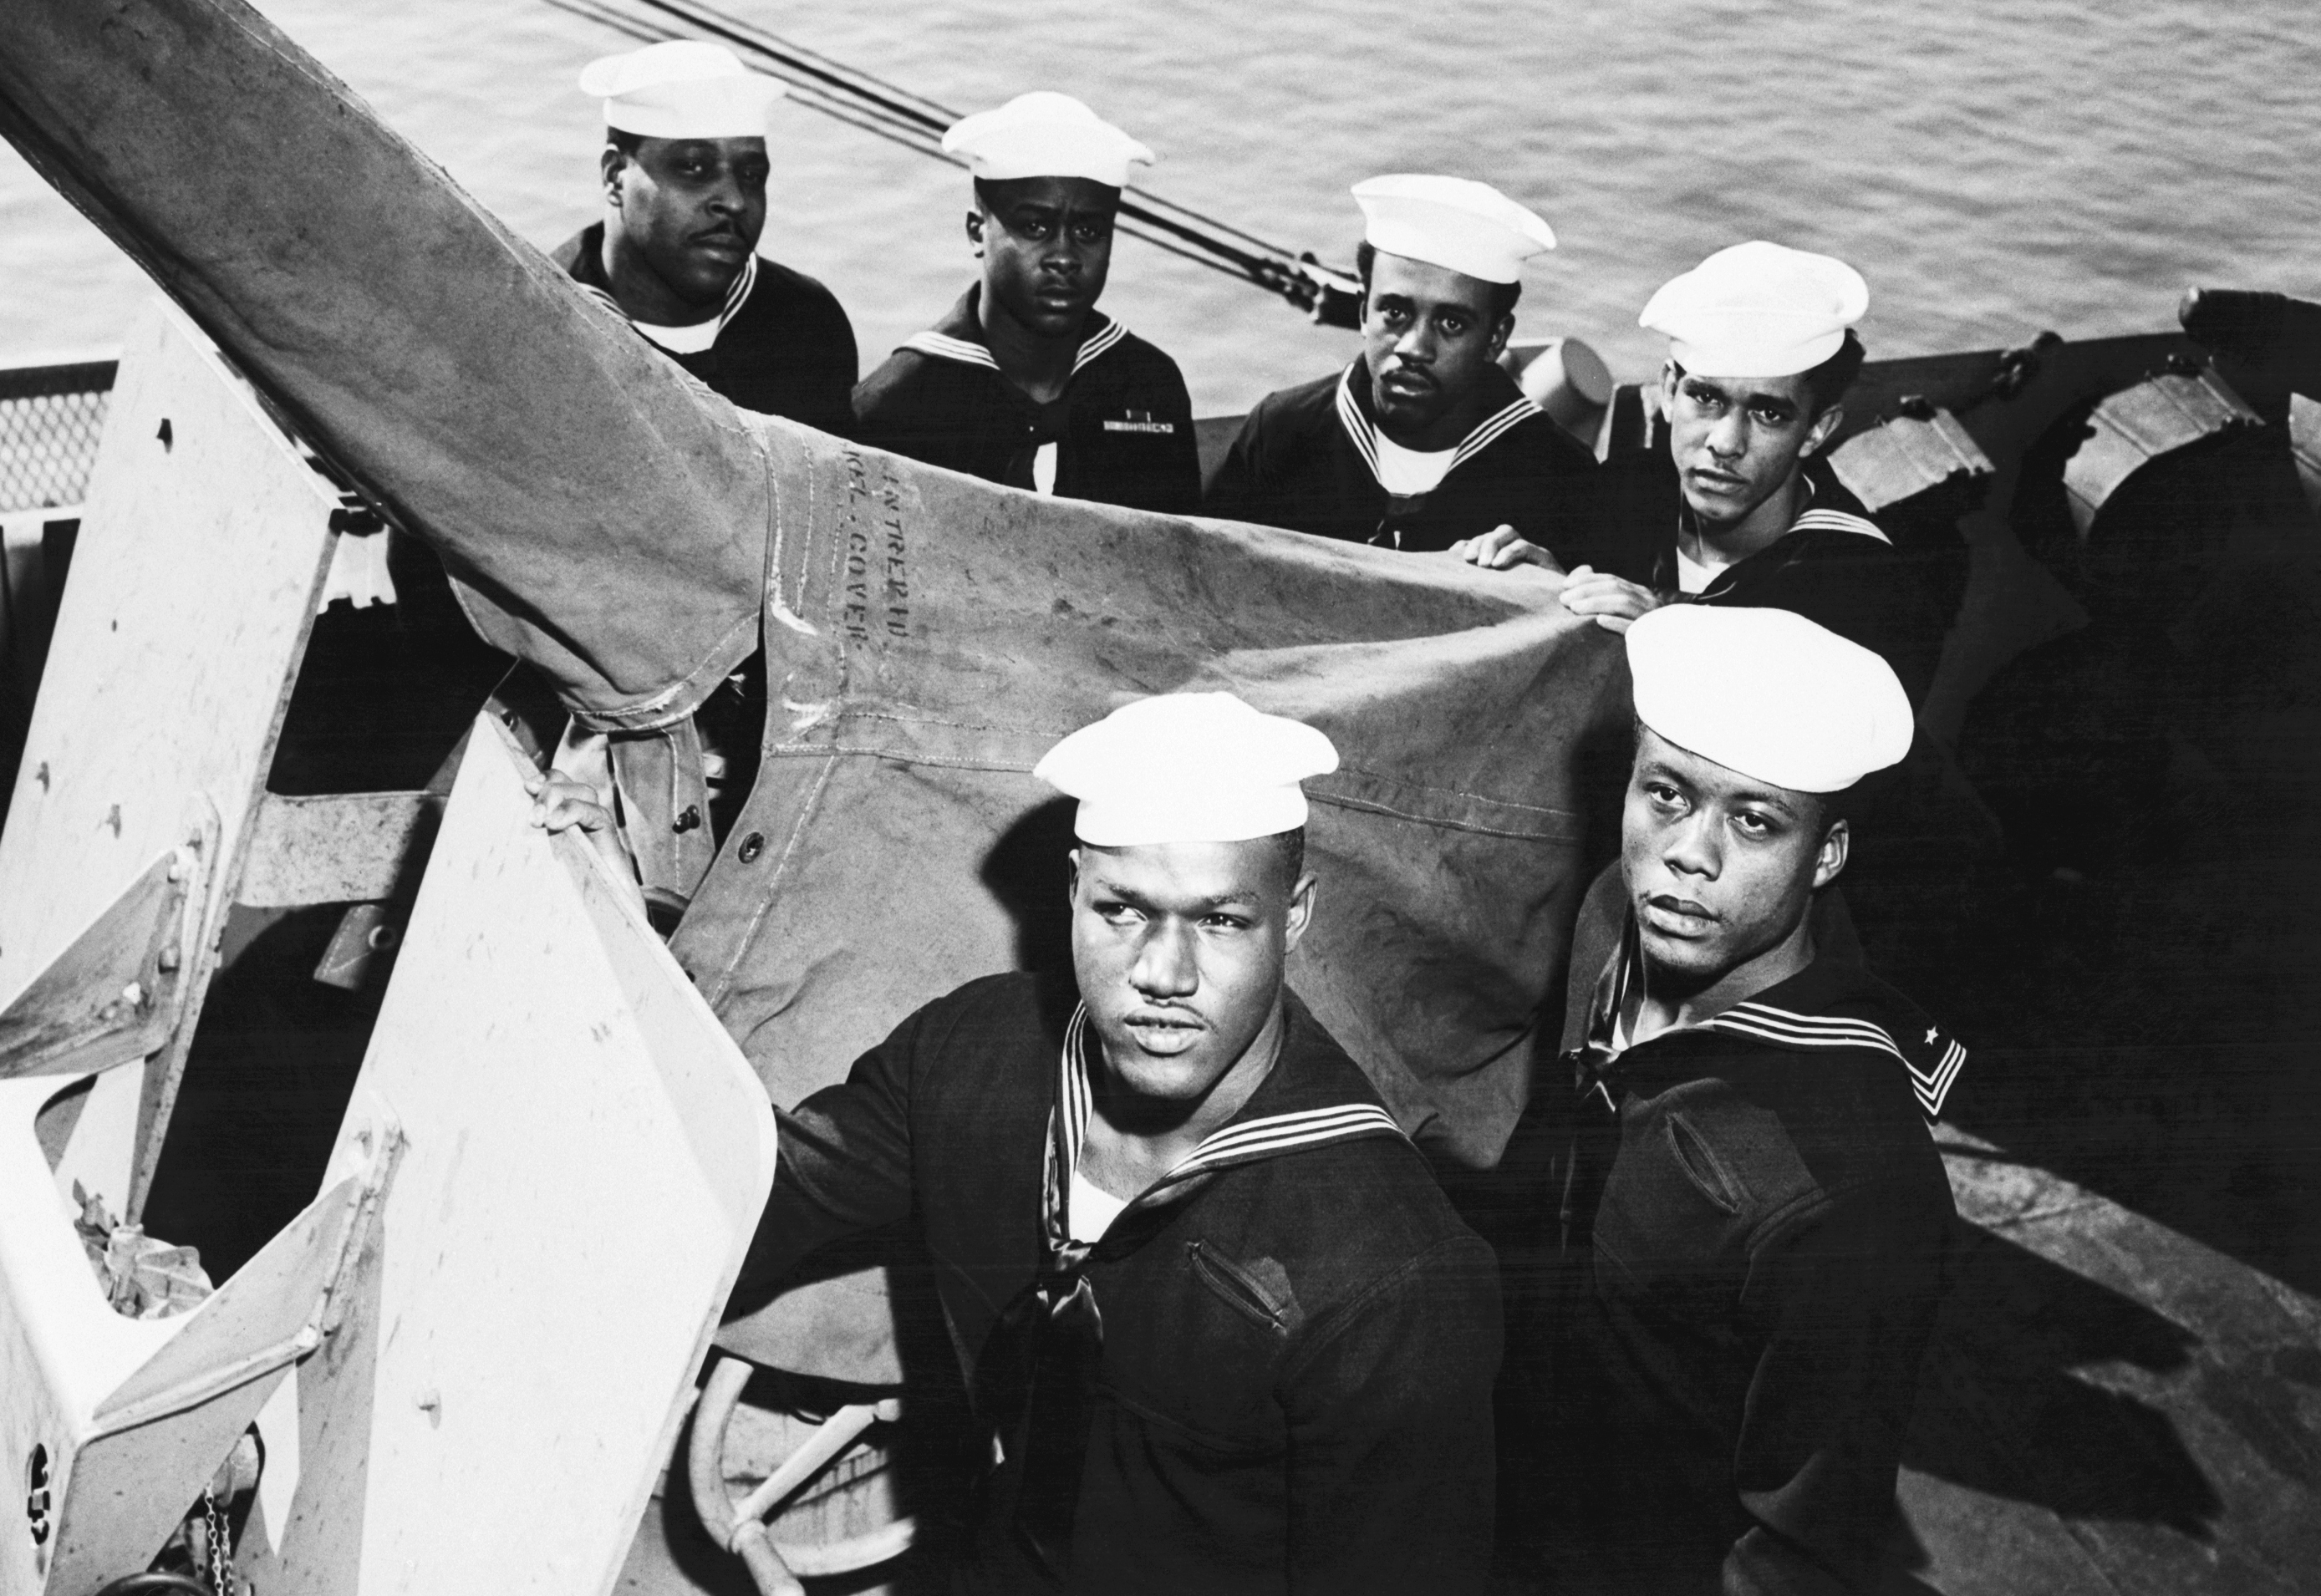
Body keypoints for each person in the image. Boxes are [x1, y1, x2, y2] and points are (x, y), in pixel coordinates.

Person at [721, 692, 1502, 1594]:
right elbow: (718, 1203)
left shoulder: (1395, 1279)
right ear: (1071, 893)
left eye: (1220, 921)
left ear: (1294, 918)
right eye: (1123, 909)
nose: (1162, 977)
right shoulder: (966, 1053)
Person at [1509, 604, 1962, 1594]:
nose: (1690, 856)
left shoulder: (1855, 1190)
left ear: (1828, 854)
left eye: (1754, 820)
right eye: (1666, 794)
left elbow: (1802, 1546)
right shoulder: (1608, 920)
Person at [1460, 241, 1941, 697]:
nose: (1726, 443)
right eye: (1706, 397)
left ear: (1816, 429)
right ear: (1670, 391)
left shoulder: (1866, 580)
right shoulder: (1624, 491)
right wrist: (1544, 585)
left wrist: (1668, 631)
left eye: (1768, 413)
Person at [1203, 175, 1601, 556]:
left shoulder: (1558, 475)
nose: (1413, 347)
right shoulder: (1283, 432)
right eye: (1394, 312)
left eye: (1451, 324)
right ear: (1363, 314)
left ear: (1495, 339)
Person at [852, 92, 1199, 513]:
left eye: (1089, 231)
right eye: (1035, 227)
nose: (1064, 257)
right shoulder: (898, 405)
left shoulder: (1147, 385)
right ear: (977, 232)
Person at [550, 38, 858, 436]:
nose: (734, 200)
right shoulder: (544, 322)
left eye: (751, 175)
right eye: (694, 167)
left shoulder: (805, 323)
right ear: (614, 175)